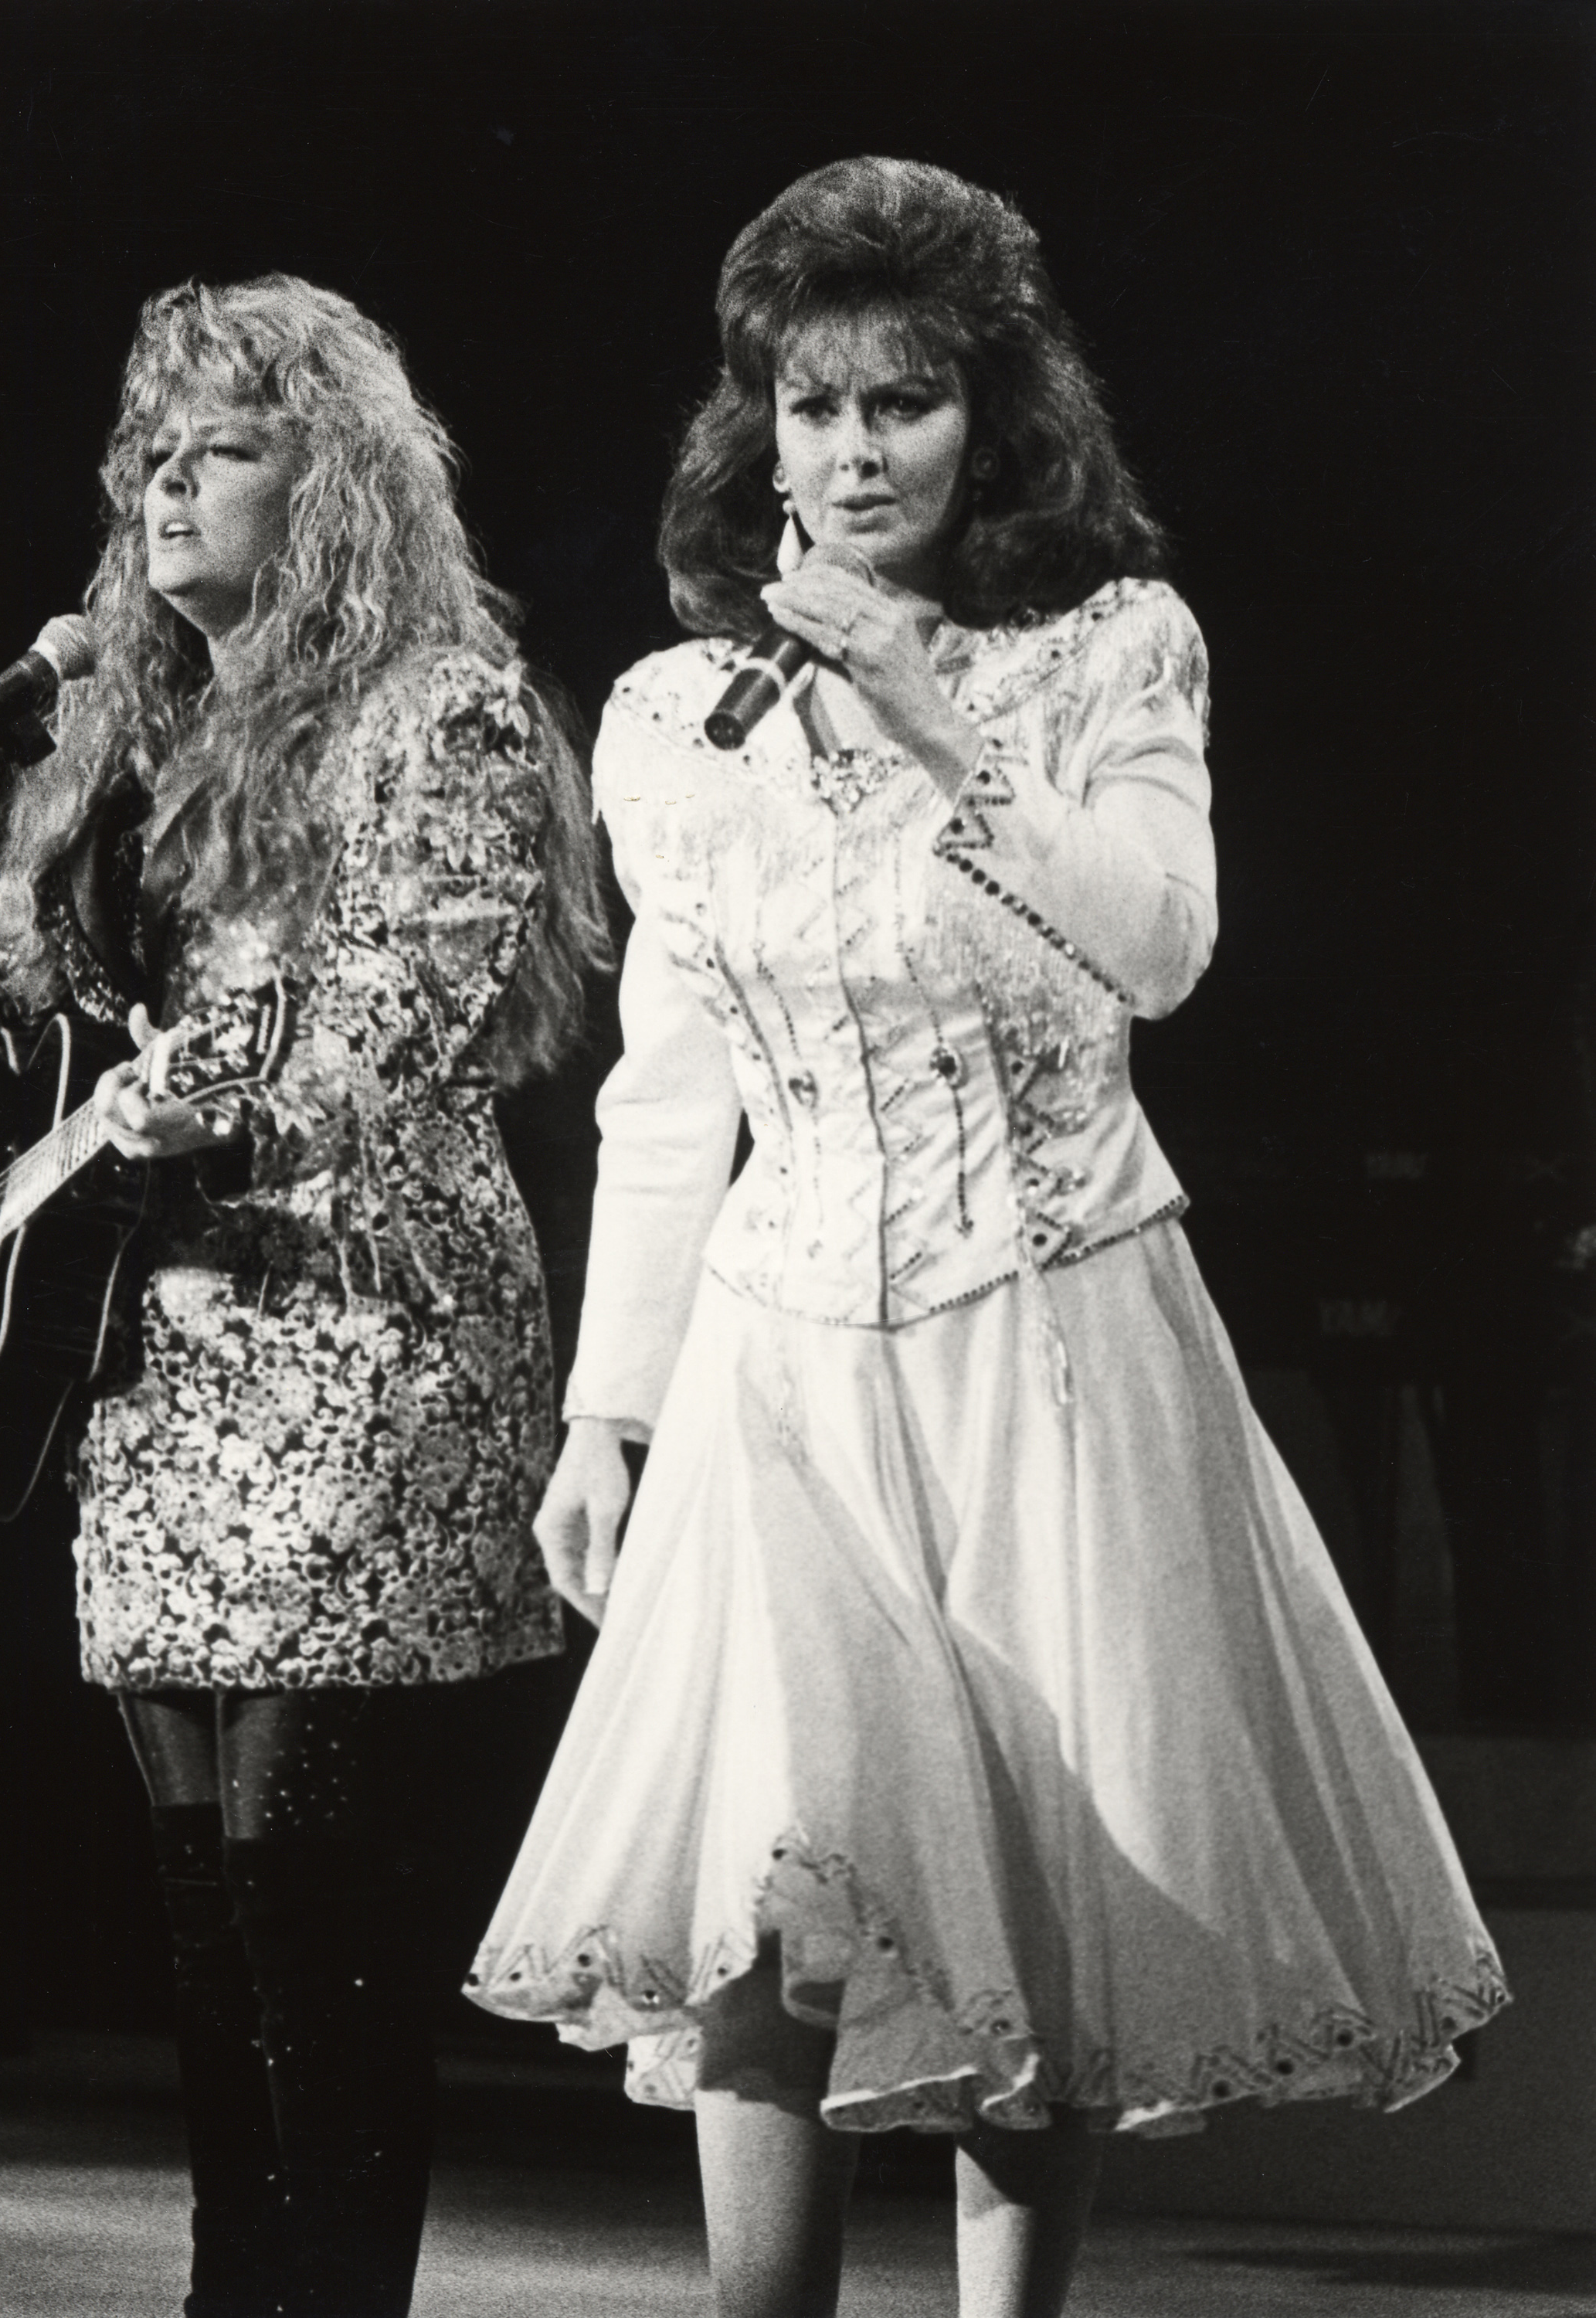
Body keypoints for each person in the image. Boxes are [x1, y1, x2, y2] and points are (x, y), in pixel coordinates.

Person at [466, 161, 1508, 2318]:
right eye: (812, 407)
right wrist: (605, 1412)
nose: (852, 455)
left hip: (1050, 1331)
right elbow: (670, 1093)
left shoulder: (1112, 651)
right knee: (771, 1892)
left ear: (993, 422)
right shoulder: (676, 717)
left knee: (1037, 1904)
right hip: (784, 1352)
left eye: (904, 405)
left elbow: (1158, 951)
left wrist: (941, 721)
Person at [0, 274, 607, 2318]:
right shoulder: (116, 726)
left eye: (227, 443)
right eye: (152, 451)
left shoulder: (441, 707)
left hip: (366, 1331)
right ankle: (237, 2291)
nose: (169, 479)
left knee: (308, 1879)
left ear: (340, 481)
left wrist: (84, 1132)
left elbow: (371, 1023)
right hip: (161, 1364)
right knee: (202, 1894)